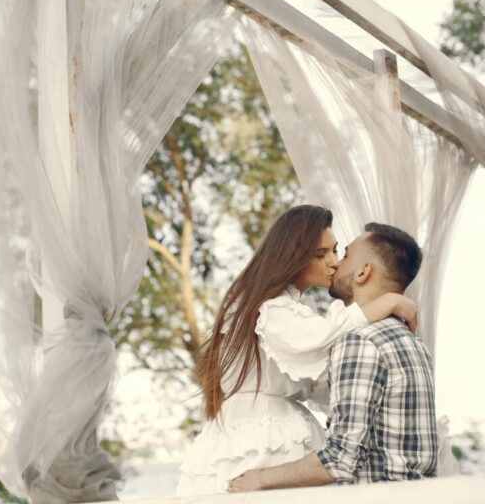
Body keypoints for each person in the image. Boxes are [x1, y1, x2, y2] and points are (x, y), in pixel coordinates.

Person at [175, 207, 418, 496]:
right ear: (293, 255)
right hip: (260, 433)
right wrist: (388, 302)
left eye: (336, 251)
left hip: (271, 423)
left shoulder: (287, 309)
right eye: (320, 254)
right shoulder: (270, 307)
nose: (333, 262)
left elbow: (318, 384)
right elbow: (323, 338)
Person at [228, 223, 437, 491]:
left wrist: (259, 479)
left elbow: (340, 460)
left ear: (363, 272)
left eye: (344, 254)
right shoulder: (412, 342)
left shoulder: (360, 341)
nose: (336, 264)